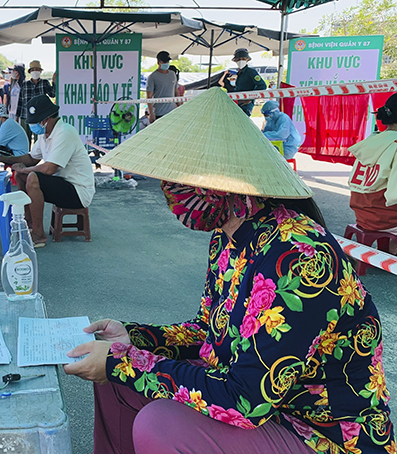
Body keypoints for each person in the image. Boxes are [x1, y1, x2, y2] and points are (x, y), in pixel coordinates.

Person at [63, 87, 394, 454]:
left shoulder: (299, 258)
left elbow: (246, 399)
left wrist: (124, 364)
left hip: (321, 434)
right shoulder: (229, 235)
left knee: (159, 423)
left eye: (184, 177)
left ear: (224, 181)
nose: (171, 189)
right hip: (270, 411)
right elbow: (207, 332)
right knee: (114, 379)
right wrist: (134, 338)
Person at [0, 95, 95, 247]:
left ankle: (39, 235)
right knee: (21, 175)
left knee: (32, 176)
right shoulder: (45, 134)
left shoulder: (64, 132)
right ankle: (28, 225)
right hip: (63, 184)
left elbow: (49, 169)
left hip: (78, 191)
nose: (33, 126)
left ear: (46, 119)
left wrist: (26, 169)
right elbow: (31, 158)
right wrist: (2, 158)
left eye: (35, 122)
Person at [347, 93, 397, 238]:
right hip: (386, 219)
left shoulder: (373, 139)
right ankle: (392, 251)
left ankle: (388, 250)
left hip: (363, 213)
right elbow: (394, 196)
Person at [17, 60, 56, 145]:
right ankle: (26, 156)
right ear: (30, 71)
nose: (35, 71)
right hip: (26, 116)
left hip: (40, 117)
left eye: (37, 69)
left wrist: (54, 82)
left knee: (39, 140)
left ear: (40, 71)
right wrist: (17, 116)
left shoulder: (44, 83)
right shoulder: (25, 84)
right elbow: (20, 101)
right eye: (33, 69)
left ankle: (37, 156)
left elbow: (52, 94)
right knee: (25, 140)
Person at [232, 48, 267, 116]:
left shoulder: (251, 72)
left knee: (243, 124)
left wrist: (250, 98)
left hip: (246, 104)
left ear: (247, 60)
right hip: (238, 102)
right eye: (239, 59)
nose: (241, 61)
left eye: (243, 59)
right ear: (235, 61)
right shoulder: (239, 73)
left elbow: (262, 85)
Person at [147, 51, 178, 124]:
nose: (166, 63)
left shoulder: (172, 74)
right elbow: (149, 97)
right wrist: (151, 113)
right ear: (158, 62)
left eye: (167, 61)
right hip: (159, 112)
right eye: (164, 61)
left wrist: (181, 107)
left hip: (172, 111)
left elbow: (176, 92)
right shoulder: (152, 77)